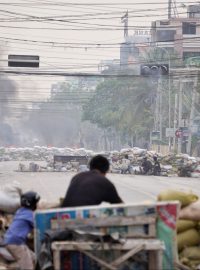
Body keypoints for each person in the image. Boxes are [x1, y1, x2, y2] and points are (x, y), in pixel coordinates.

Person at [4, 191, 40, 270]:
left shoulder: (20, 211)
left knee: (33, 258)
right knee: (28, 267)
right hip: (16, 243)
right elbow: (38, 225)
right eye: (36, 203)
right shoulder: (29, 214)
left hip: (11, 241)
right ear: (33, 204)